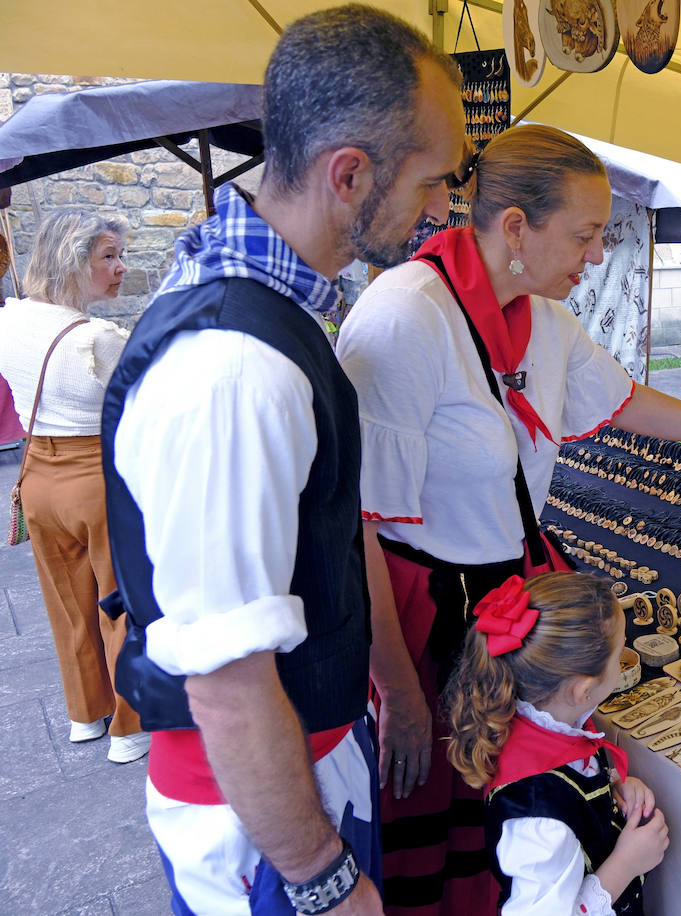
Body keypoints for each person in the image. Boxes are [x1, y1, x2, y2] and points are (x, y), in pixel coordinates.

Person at [335, 123, 681, 915]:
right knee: (447, 813)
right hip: (427, 616)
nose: (597, 256)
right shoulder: (405, 321)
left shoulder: (546, 322)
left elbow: (623, 400)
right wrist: (399, 691)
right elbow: (361, 528)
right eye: (587, 236)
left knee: (527, 804)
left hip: (515, 594)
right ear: (516, 227)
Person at [99, 6, 467, 914]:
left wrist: (390, 685)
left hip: (300, 771)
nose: (443, 210)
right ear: (350, 174)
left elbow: (327, 531)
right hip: (262, 824)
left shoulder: (273, 317)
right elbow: (226, 682)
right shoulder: (233, 369)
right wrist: (323, 877)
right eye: (432, 181)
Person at [0, 208, 148, 763]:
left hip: (37, 472)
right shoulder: (99, 337)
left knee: (66, 604)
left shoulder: (7, 320)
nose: (120, 268)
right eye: (108, 256)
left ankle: (86, 715)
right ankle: (129, 729)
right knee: (121, 601)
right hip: (96, 476)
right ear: (71, 260)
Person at [448, 572, 666, 916]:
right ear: (583, 690)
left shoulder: (548, 721)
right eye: (620, 650)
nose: (624, 653)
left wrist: (613, 790)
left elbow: (573, 783)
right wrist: (627, 864)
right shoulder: (536, 813)